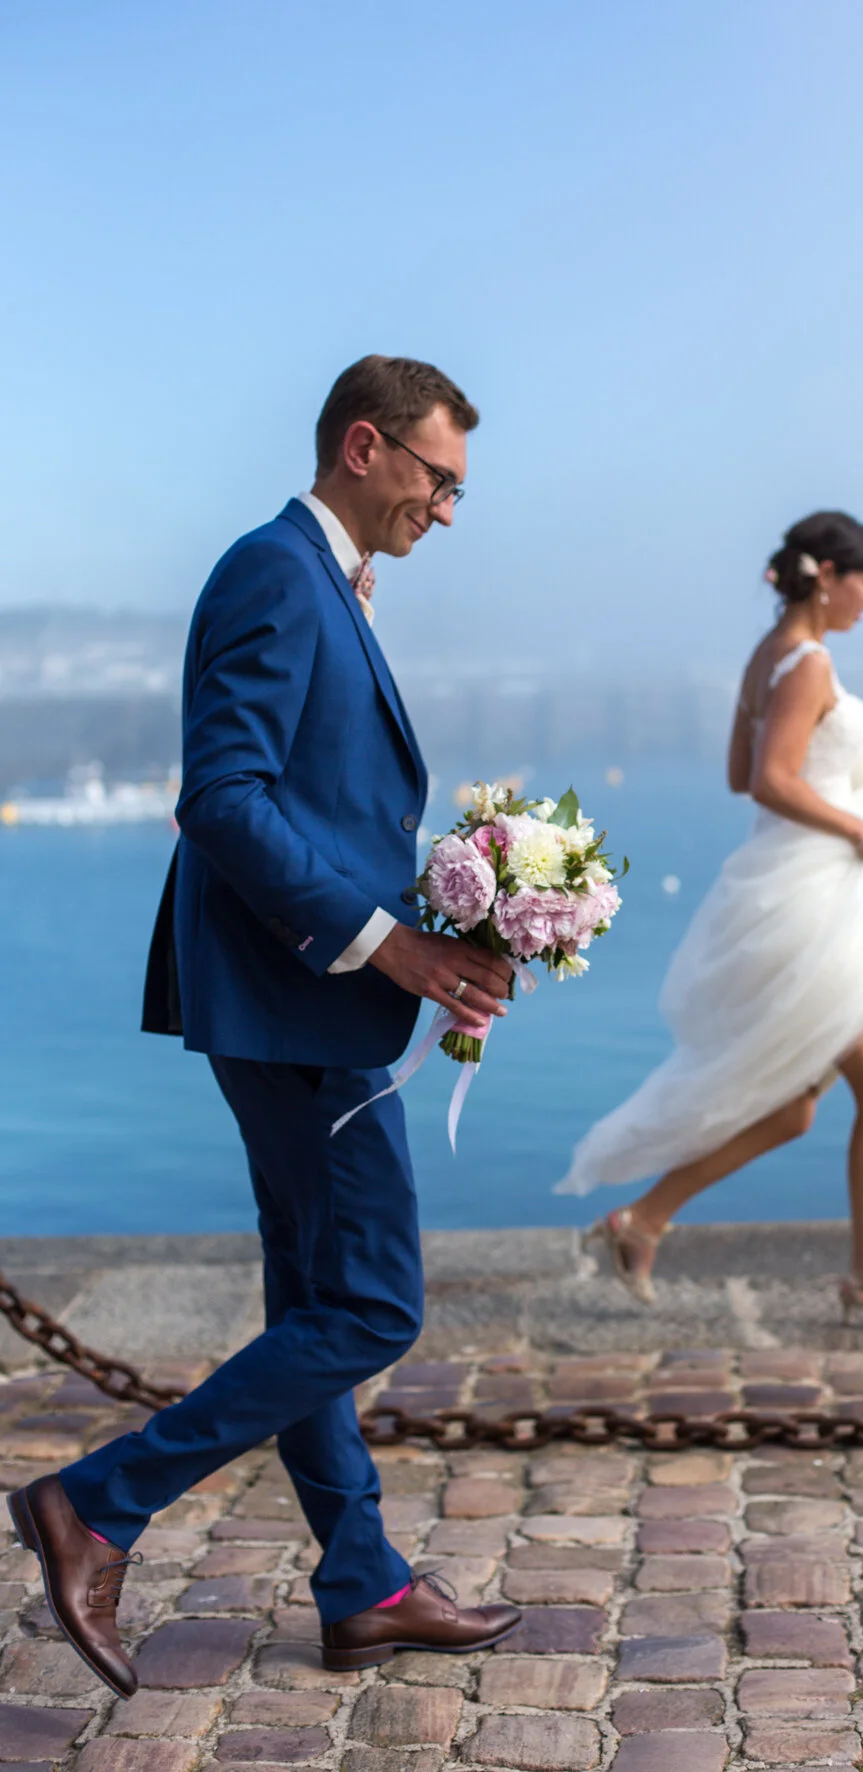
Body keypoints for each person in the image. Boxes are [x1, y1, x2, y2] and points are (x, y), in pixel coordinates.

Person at [6, 356, 523, 1699]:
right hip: (297, 1005)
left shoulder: (329, 584)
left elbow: (321, 808)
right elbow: (225, 801)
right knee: (371, 1302)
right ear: (366, 445)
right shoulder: (274, 571)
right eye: (437, 479)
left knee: (313, 1297)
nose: (448, 512)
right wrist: (388, 945)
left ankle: (362, 1589)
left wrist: (459, 909)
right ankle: (95, 1506)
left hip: (298, 998)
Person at [559, 511, 863, 1328]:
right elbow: (771, 780)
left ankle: (640, 1222)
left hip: (791, 890)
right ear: (830, 576)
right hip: (816, 908)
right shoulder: (807, 662)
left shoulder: (766, 657)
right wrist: (858, 825)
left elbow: (741, 774)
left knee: (791, 1106)